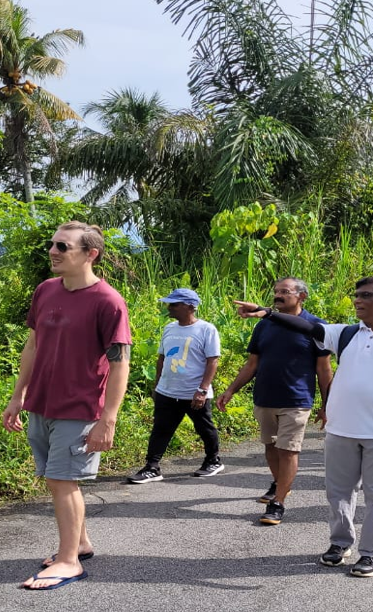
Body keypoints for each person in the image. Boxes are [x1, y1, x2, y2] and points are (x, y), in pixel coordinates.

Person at [231, 276, 373, 577]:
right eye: (357, 294)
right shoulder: (347, 333)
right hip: (341, 429)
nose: (357, 300)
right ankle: (340, 543)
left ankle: (371, 553)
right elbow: (307, 327)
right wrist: (266, 313)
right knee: (338, 493)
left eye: (366, 295)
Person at [2, 221, 132, 591]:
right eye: (53, 244)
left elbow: (120, 363)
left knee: (61, 480)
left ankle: (68, 561)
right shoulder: (46, 290)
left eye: (63, 246)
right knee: (56, 478)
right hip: (42, 403)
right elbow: (32, 345)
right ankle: (81, 543)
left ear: (91, 254)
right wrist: (18, 395)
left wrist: (108, 419)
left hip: (79, 407)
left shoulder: (108, 301)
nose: (53, 251)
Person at [217, 277, 332, 525]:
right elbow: (252, 364)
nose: (278, 295)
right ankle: (281, 483)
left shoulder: (316, 326)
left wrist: (327, 404)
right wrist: (231, 390)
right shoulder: (264, 325)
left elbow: (324, 369)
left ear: (302, 296)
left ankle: (277, 502)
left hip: (297, 399)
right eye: (276, 291)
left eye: (285, 291)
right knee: (270, 446)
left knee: (288, 450)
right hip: (265, 396)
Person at [128, 288, 224, 484]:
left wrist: (202, 390)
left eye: (174, 304)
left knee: (204, 428)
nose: (169, 307)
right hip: (167, 391)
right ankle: (152, 467)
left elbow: (212, 361)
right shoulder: (170, 328)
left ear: (190, 307)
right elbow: (162, 357)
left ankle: (213, 460)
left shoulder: (206, 329)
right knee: (160, 429)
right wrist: (157, 385)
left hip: (194, 392)